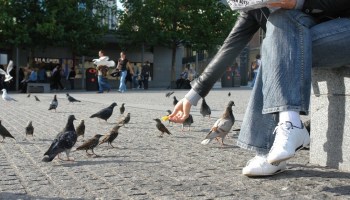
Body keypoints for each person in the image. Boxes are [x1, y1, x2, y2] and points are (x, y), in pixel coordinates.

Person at [169, 0, 350, 177]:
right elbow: (231, 46)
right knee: (279, 28)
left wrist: (298, 3)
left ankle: (267, 147)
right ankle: (286, 131)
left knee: (278, 46)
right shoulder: (255, 7)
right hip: (299, 34)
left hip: (343, 27)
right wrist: (192, 96)